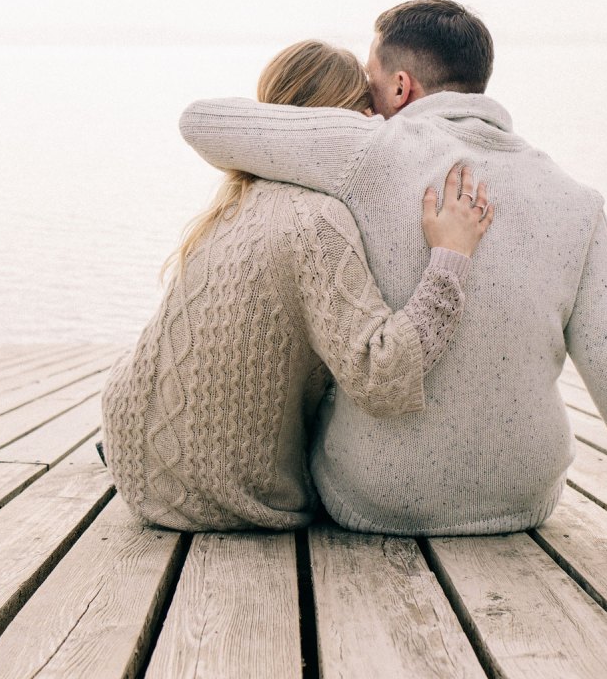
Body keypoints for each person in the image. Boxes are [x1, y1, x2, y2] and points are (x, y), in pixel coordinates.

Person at [178, 0, 607, 549]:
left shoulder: (368, 152)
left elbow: (201, 122)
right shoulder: (577, 201)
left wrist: (340, 126)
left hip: (374, 501)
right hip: (522, 503)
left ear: (400, 88)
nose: (365, 108)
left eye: (370, 89)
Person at [100, 40, 493, 532]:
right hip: (219, 495)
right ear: (341, 122)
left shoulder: (232, 203)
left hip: (132, 454)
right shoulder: (318, 220)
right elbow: (382, 377)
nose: (378, 126)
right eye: (367, 112)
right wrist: (450, 260)